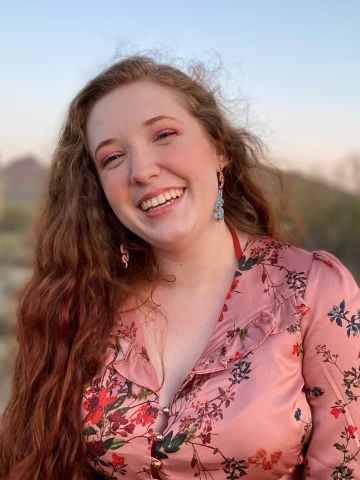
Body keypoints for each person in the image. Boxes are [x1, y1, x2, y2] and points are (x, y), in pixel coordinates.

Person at [0, 55, 359, 480]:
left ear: (220, 149)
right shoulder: (79, 298)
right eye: (113, 158)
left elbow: (344, 467)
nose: (143, 170)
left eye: (164, 134)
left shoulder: (312, 290)